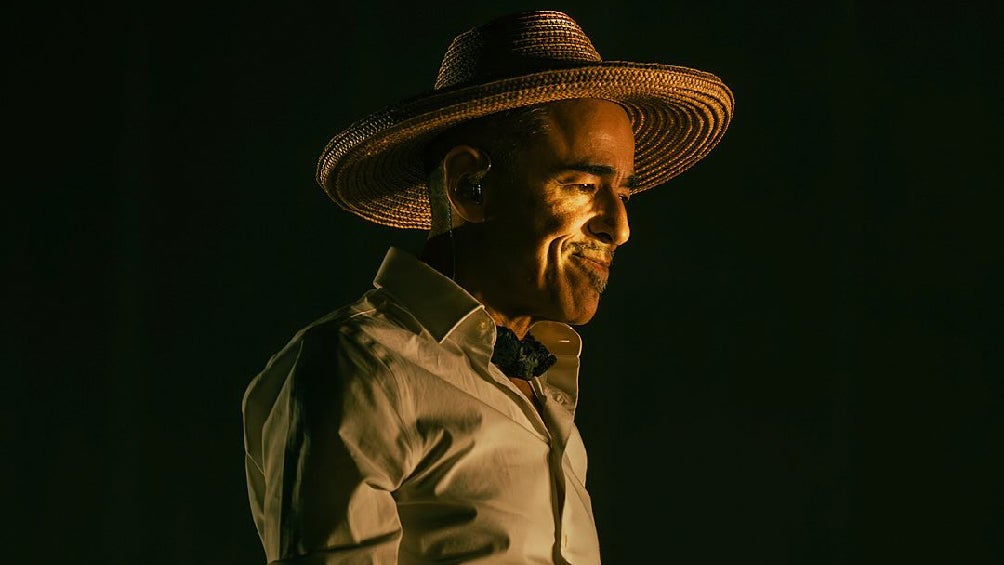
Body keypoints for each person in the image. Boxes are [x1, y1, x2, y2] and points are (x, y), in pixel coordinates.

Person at [242, 10, 733, 564]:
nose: (619, 228)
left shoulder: (539, 388)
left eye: (623, 193)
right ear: (469, 186)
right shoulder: (360, 368)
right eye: (583, 184)